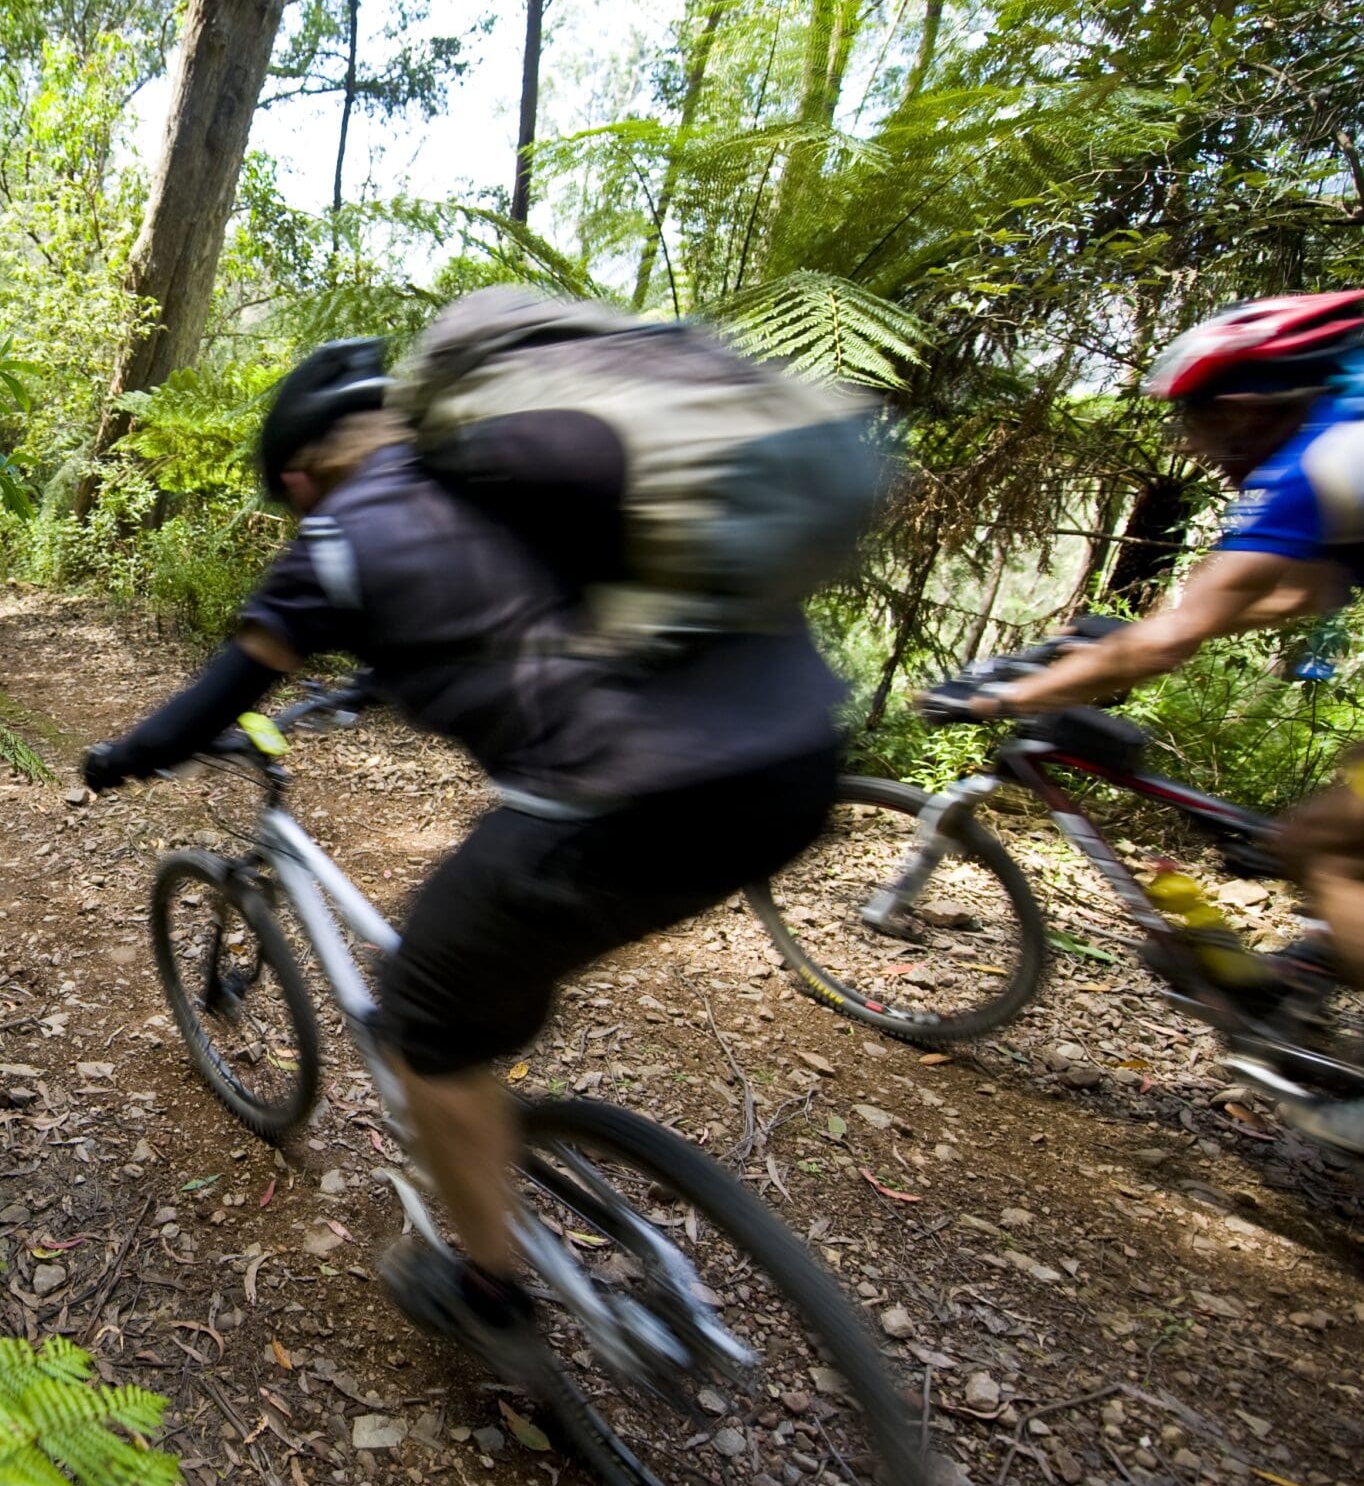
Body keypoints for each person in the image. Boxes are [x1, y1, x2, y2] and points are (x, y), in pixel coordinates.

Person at [81, 333, 846, 1372]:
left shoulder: (336, 535)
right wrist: (371, 681)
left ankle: (487, 1287)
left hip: (636, 796)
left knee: (420, 1015)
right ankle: (498, 1114)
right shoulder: (496, 467)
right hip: (797, 758)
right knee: (486, 965)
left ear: (301, 477)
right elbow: (509, 619)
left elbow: (220, 695)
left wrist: (122, 757)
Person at [922, 289, 1364, 1147]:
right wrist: (1116, 642)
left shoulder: (1313, 460)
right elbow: (1295, 590)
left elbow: (1173, 638)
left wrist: (1000, 696)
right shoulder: (1342, 443)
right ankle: (1313, 976)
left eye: (1197, 423)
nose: (1195, 447)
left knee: (1326, 846)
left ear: (1244, 408)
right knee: (1317, 831)